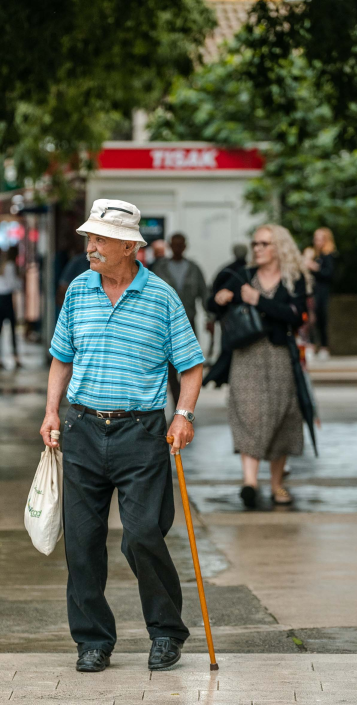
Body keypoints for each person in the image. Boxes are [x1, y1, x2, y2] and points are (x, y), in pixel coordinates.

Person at [40, 198, 204, 674]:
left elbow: (191, 366)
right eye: (89, 238)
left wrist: (183, 415)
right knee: (82, 542)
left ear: (130, 247)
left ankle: (166, 632)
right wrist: (51, 412)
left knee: (142, 535)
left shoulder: (162, 297)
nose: (90, 247)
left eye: (100, 239)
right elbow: (62, 358)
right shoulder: (78, 290)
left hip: (141, 432)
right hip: (83, 428)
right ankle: (93, 641)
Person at [207, 225, 310, 509]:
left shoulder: (293, 279)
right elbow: (213, 304)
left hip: (279, 355)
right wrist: (220, 298)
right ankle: (249, 482)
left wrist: (259, 300)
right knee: (248, 413)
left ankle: (276, 485)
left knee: (282, 415)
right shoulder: (243, 275)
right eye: (255, 244)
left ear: (279, 247)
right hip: (246, 355)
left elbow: (296, 316)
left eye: (264, 244)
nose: (258, 249)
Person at [151, 233, 208, 400]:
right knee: (168, 368)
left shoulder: (194, 269)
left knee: (188, 365)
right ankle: (177, 402)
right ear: (170, 246)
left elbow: (204, 294)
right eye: (174, 244)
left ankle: (184, 404)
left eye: (180, 244)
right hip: (163, 324)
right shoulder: (160, 268)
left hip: (187, 322)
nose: (177, 248)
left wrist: (210, 317)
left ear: (185, 246)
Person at [305, 227, 338, 360]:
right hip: (311, 291)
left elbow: (329, 274)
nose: (317, 241)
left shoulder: (328, 255)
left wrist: (315, 268)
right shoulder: (314, 254)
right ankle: (311, 344)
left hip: (322, 291)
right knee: (310, 318)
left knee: (321, 317)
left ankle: (324, 346)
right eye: (316, 238)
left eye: (320, 238)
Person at [0, 246, 22, 368]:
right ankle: (15, 356)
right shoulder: (10, 266)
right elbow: (12, 284)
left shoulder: (0, 266)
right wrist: (20, 281)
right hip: (7, 298)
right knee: (12, 327)